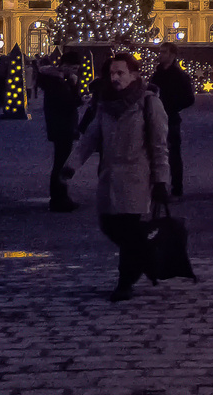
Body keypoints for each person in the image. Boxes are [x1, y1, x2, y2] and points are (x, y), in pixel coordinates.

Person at [60, 52, 171, 301]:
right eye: (111, 73)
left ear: (134, 75)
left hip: (137, 177)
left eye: (120, 73)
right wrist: (71, 166)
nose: (115, 78)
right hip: (109, 176)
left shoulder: (149, 103)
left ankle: (125, 282)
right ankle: (148, 258)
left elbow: (159, 145)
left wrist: (162, 180)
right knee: (109, 225)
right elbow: (90, 138)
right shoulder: (105, 104)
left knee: (130, 230)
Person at [36, 52, 85, 212]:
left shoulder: (54, 79)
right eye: (73, 68)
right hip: (62, 126)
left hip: (60, 126)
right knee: (61, 163)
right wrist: (74, 87)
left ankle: (60, 196)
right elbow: (70, 103)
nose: (75, 72)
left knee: (61, 161)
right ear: (65, 66)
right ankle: (59, 198)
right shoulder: (57, 81)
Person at [150, 43, 195, 198]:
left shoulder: (179, 76)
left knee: (173, 154)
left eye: (164, 52)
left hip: (170, 119)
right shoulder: (157, 74)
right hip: (155, 117)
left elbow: (189, 98)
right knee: (155, 152)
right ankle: (157, 185)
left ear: (172, 55)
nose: (160, 55)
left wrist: (172, 106)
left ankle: (177, 187)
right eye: (160, 52)